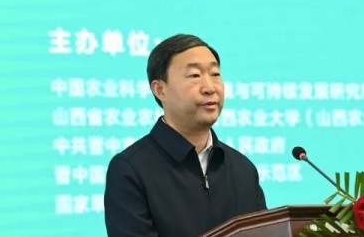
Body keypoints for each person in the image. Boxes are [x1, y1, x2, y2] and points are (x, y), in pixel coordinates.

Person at [104, 34, 267, 237]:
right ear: (160, 90)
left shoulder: (242, 168)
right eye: (194, 75)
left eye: (215, 74)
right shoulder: (131, 170)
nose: (210, 88)